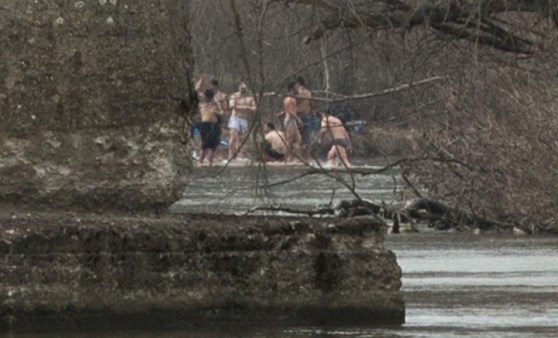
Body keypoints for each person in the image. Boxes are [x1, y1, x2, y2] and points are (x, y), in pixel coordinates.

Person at [228, 81, 256, 161]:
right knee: (233, 137)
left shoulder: (250, 97)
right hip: (235, 118)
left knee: (242, 138)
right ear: (239, 88)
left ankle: (240, 155)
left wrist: (246, 107)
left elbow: (254, 108)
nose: (243, 90)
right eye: (241, 88)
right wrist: (246, 107)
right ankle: (230, 156)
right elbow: (232, 106)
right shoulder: (234, 96)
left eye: (244, 88)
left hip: (244, 119)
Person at [294, 76, 319, 160]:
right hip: (307, 115)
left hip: (300, 115)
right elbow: (311, 104)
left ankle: (300, 158)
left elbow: (295, 102)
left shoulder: (299, 93)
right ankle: (307, 157)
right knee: (306, 138)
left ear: (298, 83)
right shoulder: (308, 92)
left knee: (299, 138)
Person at [198, 89, 224, 166]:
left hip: (214, 125)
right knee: (204, 145)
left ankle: (210, 163)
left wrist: (215, 111)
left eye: (210, 97)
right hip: (205, 125)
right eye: (207, 97)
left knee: (213, 146)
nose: (208, 99)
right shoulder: (202, 103)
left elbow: (222, 113)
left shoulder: (215, 104)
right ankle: (200, 162)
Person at [283, 81, 302, 162]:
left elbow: (286, 110)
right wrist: (298, 119)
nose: (297, 89)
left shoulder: (286, 98)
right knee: (291, 140)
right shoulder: (291, 99)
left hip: (290, 119)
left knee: (297, 139)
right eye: (296, 87)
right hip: (291, 120)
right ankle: (286, 159)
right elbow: (290, 111)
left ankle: (293, 158)